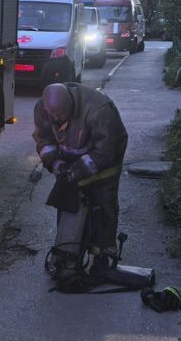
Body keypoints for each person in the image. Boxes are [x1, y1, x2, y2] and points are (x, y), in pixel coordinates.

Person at [33, 82, 129, 275]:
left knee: (103, 206)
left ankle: (104, 255)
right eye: (53, 116)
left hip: (104, 163)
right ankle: (69, 252)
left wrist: (76, 172)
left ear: (70, 104)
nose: (57, 120)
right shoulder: (43, 109)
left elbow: (105, 152)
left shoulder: (99, 110)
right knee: (68, 203)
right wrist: (55, 164)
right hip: (71, 162)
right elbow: (44, 140)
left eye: (61, 115)